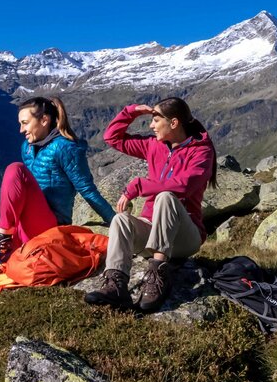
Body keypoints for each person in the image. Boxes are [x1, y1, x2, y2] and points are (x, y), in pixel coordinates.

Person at [0, 96, 115, 300]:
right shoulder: (27, 148)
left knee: (15, 169)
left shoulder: (67, 148)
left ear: (44, 120)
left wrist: (115, 221)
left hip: (50, 224)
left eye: (25, 123)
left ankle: (1, 243)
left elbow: (87, 189)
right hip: (21, 224)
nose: (21, 130)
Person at [85, 97, 217, 313]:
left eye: (156, 120)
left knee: (166, 196)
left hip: (184, 239)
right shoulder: (153, 146)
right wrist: (132, 111)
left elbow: (184, 186)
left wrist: (139, 185)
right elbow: (112, 138)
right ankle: (115, 285)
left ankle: (157, 275)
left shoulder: (201, 152)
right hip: (152, 231)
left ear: (173, 123)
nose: (151, 125)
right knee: (121, 220)